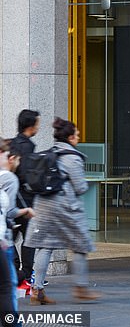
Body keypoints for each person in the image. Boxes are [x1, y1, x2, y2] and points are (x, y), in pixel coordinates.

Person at [25, 117, 100, 305]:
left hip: (43, 205)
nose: (79, 136)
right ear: (70, 137)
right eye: (77, 134)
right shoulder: (72, 157)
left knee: (45, 246)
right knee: (80, 245)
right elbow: (81, 187)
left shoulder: (52, 152)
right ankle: (81, 288)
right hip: (64, 208)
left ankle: (37, 291)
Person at [1, 138, 32, 327]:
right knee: (7, 288)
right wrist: (26, 211)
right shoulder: (8, 178)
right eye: (5, 154)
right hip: (2, 244)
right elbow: (10, 210)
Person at [10, 109, 40, 287]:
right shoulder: (27, 146)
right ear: (31, 126)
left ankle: (15, 270)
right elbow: (27, 176)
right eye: (37, 123)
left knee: (10, 236)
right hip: (25, 200)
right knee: (29, 239)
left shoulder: (13, 143)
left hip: (13, 200)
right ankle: (24, 274)